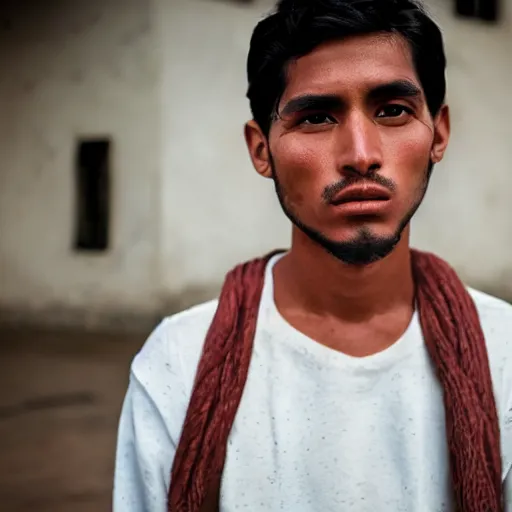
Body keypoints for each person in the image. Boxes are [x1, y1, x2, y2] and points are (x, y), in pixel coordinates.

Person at [113, 0, 512, 510]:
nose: (361, 154)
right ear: (262, 150)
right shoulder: (177, 363)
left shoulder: (502, 356)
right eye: (317, 117)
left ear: (439, 132)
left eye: (393, 110)